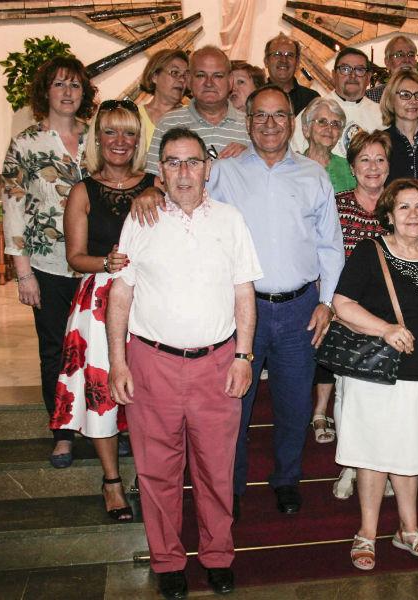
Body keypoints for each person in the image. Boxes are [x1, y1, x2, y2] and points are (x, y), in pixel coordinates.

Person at [129, 85, 345, 520]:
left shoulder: (313, 176)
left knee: (294, 402)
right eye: (260, 116)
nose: (269, 124)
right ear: (247, 123)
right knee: (236, 406)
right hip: (239, 310)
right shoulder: (224, 171)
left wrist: (326, 302)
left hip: (300, 308)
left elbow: (330, 246)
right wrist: (149, 192)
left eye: (279, 115)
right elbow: (179, 190)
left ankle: (286, 479)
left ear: (292, 122)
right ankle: (232, 484)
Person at [107, 127, 262, 599]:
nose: (183, 172)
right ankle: (168, 561)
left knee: (217, 470)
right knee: (157, 472)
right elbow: (121, 294)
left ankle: (217, 557)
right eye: (173, 162)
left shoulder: (232, 220)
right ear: (160, 171)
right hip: (152, 362)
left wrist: (242, 354)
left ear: (208, 168)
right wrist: (117, 362)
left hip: (217, 363)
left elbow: (244, 291)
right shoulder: (142, 220)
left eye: (192, 161)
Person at [333, 178, 418, 570]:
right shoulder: (371, 252)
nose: (413, 214)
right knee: (374, 452)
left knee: (414, 451)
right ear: (388, 214)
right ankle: (366, 533)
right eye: (403, 207)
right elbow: (342, 304)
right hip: (379, 372)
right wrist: (385, 328)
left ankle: (409, 529)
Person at [51, 99, 154, 521]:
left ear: (138, 140)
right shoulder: (82, 190)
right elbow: (75, 256)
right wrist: (106, 264)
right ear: (97, 138)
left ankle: (147, 476)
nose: (119, 141)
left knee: (149, 390)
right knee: (102, 390)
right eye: (111, 131)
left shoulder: (155, 184)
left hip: (149, 298)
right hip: (98, 301)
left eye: (129, 132)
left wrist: (154, 193)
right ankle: (111, 480)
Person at [2, 55, 96, 468]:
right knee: (56, 352)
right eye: (59, 85)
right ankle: (62, 432)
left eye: (74, 85)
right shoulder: (25, 144)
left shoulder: (98, 137)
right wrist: (24, 273)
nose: (67, 92)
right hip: (48, 265)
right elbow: (13, 210)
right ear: (46, 92)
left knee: (99, 350)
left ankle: (102, 425)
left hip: (97, 264)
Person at [324, 131, 392, 499]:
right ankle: (351, 466)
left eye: (380, 159)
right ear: (351, 167)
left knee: (388, 399)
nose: (373, 167)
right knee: (349, 399)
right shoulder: (336, 205)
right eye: (365, 160)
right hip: (348, 314)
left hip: (391, 318)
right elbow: (324, 256)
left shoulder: (399, 206)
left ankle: (386, 467)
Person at [146, 46, 250, 173]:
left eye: (218, 76)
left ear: (230, 81)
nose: (209, 83)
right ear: (189, 80)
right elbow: (154, 180)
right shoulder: (168, 123)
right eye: (201, 75)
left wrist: (251, 156)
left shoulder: (251, 125)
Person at [291, 47, 383, 157]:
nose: (352, 75)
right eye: (345, 69)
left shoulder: (382, 114)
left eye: (359, 70)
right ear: (334, 75)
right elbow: (292, 155)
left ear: (368, 78)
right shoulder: (314, 111)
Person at [301, 97, 356, 193]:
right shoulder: (293, 168)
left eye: (335, 124)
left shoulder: (348, 169)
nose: (329, 129)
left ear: (339, 133)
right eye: (322, 122)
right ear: (306, 129)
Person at [136, 49, 188, 151]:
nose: (182, 79)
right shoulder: (134, 117)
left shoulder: (193, 115)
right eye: (175, 72)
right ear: (154, 76)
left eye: (185, 75)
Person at [263, 34, 320, 115]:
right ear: (266, 61)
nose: (283, 60)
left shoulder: (312, 100)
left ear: (297, 63)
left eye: (289, 55)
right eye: (277, 54)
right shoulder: (255, 97)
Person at [365, 35, 418, 103]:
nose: (406, 60)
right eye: (399, 55)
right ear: (387, 62)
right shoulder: (371, 97)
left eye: (411, 55)